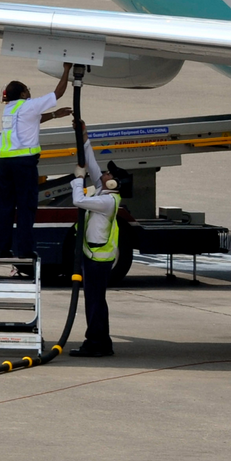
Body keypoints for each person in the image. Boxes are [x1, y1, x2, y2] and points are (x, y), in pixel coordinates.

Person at [0, 63, 72, 259]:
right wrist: (67, 70)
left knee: (5, 207)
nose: (29, 92)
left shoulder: (10, 110)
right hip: (24, 165)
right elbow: (58, 93)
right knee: (26, 207)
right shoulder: (29, 105)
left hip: (5, 164)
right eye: (27, 90)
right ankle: (25, 250)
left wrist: (54, 115)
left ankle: (1, 248)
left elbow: (31, 121)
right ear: (21, 94)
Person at [68, 121, 127, 358]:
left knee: (94, 302)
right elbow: (92, 165)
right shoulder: (104, 192)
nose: (104, 173)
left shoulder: (107, 201)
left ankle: (96, 342)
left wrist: (77, 180)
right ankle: (101, 341)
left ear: (113, 183)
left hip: (97, 259)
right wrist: (84, 137)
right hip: (93, 257)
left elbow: (78, 201)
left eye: (109, 173)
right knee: (95, 302)